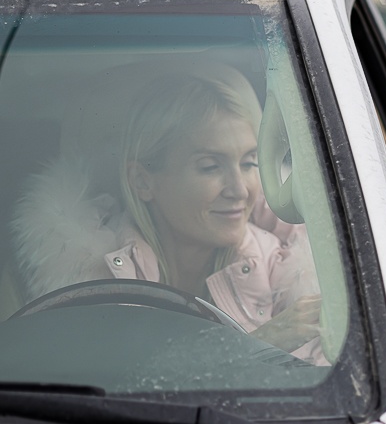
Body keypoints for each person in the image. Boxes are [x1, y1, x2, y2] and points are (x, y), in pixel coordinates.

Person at [11, 61, 323, 361]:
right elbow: (113, 388)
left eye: (249, 163)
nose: (240, 190)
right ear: (143, 181)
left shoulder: (280, 267)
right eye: (210, 166)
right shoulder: (97, 280)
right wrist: (255, 348)